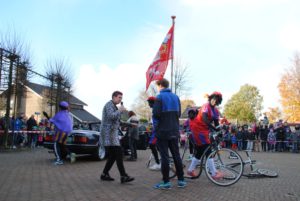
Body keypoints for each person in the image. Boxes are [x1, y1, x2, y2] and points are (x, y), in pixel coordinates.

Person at [152, 78, 186, 189]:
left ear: (160, 85)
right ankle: (181, 180)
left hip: (162, 132)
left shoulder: (159, 97)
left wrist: (156, 129)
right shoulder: (176, 97)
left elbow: (156, 115)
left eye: (157, 86)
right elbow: (179, 114)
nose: (157, 88)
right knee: (177, 156)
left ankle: (166, 182)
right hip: (174, 131)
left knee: (164, 157)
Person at [186, 91, 224, 180]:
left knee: (199, 152)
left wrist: (220, 131)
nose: (214, 101)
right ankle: (214, 173)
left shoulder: (216, 111)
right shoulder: (205, 106)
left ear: (218, 102)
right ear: (211, 98)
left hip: (204, 131)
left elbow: (216, 122)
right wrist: (214, 129)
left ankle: (190, 170)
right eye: (214, 99)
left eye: (217, 100)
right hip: (198, 129)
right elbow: (204, 119)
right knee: (208, 151)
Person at [99, 91, 134, 184]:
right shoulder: (109, 105)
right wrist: (119, 110)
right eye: (119, 97)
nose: (120, 99)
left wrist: (130, 124)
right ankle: (123, 176)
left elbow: (117, 121)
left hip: (111, 133)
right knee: (118, 153)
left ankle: (104, 174)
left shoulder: (114, 106)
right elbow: (111, 117)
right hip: (109, 134)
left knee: (113, 156)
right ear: (114, 97)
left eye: (121, 98)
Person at [49, 101, 73, 165]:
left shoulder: (59, 114)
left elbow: (52, 120)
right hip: (67, 132)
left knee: (56, 144)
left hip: (60, 132)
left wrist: (50, 120)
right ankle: (71, 154)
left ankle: (59, 160)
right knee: (62, 145)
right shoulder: (68, 114)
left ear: (60, 107)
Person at [147, 96, 161, 171]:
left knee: (152, 145)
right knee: (158, 147)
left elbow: (158, 121)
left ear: (152, 102)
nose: (148, 104)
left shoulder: (156, 109)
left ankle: (158, 163)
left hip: (158, 131)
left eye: (149, 103)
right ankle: (161, 162)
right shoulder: (155, 109)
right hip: (156, 131)